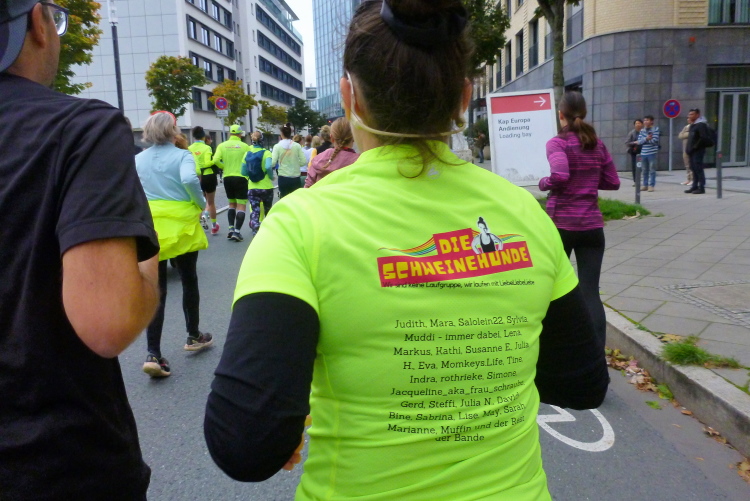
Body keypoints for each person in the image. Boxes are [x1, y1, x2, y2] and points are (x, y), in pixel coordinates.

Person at [204, 2, 608, 499]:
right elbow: (582, 385)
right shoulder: (524, 214)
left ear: (349, 95)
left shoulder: (300, 224)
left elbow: (246, 447)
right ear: (464, 97)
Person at [0, 1, 160, 497]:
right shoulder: (80, 128)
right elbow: (108, 323)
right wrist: (148, 260)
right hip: (55, 463)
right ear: (37, 23)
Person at [539, 90, 620, 351]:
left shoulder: (557, 143)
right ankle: (596, 354)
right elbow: (613, 181)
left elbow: (560, 175)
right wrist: (588, 180)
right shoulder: (596, 144)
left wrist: (544, 183)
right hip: (592, 227)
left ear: (560, 114)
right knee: (590, 292)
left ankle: (556, 348)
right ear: (583, 113)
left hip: (561, 225)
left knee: (552, 288)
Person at [136, 112, 213, 377]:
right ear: (172, 130)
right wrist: (201, 204)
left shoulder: (138, 159)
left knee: (156, 288)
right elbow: (190, 180)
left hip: (152, 225)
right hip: (181, 224)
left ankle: (153, 353)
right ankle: (193, 335)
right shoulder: (182, 156)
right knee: (189, 279)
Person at [214, 124, 252, 241]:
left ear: (230, 133)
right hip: (241, 177)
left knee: (231, 204)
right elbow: (250, 161)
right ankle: (237, 232)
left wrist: (224, 167)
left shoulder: (222, 145)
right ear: (240, 134)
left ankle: (230, 229)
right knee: (241, 205)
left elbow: (215, 160)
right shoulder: (245, 146)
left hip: (227, 177)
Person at [305, 116, 359, 187]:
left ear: (332, 138)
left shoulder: (318, 159)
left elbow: (308, 186)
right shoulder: (360, 161)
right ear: (353, 138)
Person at [190, 126, 220, 235]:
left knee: (198, 203)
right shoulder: (207, 148)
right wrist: (214, 161)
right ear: (203, 136)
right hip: (208, 175)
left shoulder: (189, 148)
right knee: (211, 202)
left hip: (196, 176)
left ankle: (198, 228)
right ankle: (214, 226)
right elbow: (207, 163)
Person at [244, 131, 275, 234]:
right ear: (262, 140)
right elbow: (268, 167)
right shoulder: (267, 153)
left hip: (252, 187)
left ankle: (255, 230)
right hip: (266, 187)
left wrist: (251, 174)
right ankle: (269, 232)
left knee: (255, 210)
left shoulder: (247, 153)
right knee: (268, 210)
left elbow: (243, 171)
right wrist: (271, 176)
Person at [272, 124, 307, 198]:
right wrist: (296, 164)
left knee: (284, 199)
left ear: (281, 134)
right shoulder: (297, 146)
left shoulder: (277, 146)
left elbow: (273, 163)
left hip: (283, 177)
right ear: (290, 133)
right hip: (295, 177)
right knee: (295, 199)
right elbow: (303, 161)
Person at [685, 108, 710, 195]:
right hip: (691, 151)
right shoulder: (693, 125)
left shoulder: (701, 125)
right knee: (693, 168)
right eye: (689, 114)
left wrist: (695, 147)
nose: (689, 116)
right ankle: (694, 186)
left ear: (697, 115)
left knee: (698, 168)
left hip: (698, 151)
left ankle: (701, 187)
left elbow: (703, 138)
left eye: (692, 114)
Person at [637, 114, 660, 192]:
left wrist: (645, 140)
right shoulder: (642, 130)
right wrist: (647, 138)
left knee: (652, 169)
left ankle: (651, 185)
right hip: (643, 153)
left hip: (652, 152)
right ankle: (645, 185)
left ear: (651, 121)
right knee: (644, 170)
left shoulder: (655, 129)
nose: (645, 122)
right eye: (644, 120)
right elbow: (639, 141)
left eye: (647, 120)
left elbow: (655, 141)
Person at [625, 118, 643, 186]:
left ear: (642, 124)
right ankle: (636, 181)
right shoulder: (632, 133)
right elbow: (627, 143)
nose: (637, 125)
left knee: (643, 167)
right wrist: (634, 142)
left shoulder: (644, 132)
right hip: (634, 152)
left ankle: (644, 182)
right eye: (636, 123)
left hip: (644, 151)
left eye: (639, 123)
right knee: (635, 167)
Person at [677, 117, 693, 186]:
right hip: (685, 149)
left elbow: (690, 134)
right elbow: (680, 135)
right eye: (687, 118)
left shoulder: (694, 127)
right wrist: (685, 134)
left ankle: (693, 179)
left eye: (689, 118)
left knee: (691, 164)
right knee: (687, 165)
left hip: (691, 148)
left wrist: (685, 134)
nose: (688, 120)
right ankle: (688, 179)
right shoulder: (686, 127)